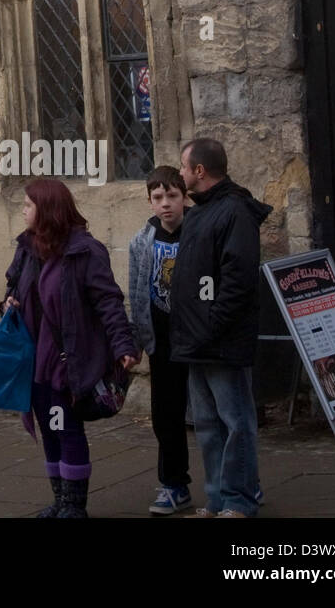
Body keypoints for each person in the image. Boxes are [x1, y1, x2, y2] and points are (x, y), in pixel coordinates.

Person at [2, 178, 138, 518]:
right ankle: (60, 501)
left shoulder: (85, 252)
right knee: (50, 429)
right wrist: (7, 305)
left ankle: (75, 506)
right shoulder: (28, 248)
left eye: (29, 204)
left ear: (47, 210)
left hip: (67, 360)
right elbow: (14, 288)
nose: (23, 209)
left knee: (66, 427)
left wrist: (124, 345)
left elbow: (109, 302)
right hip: (34, 360)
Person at [170, 137, 272, 518]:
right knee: (208, 426)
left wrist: (213, 324)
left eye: (183, 167)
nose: (180, 174)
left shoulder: (235, 212)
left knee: (236, 424)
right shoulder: (199, 213)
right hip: (196, 340)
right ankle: (216, 500)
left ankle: (239, 500)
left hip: (221, 340)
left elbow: (238, 279)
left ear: (200, 171)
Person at [128, 166, 192, 514]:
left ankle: (234, 484)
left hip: (197, 337)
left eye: (172, 196)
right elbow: (137, 291)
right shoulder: (142, 240)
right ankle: (173, 483)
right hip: (161, 340)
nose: (166, 204)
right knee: (166, 414)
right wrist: (136, 338)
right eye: (158, 198)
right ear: (150, 201)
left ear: (184, 196)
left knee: (213, 413)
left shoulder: (198, 231)